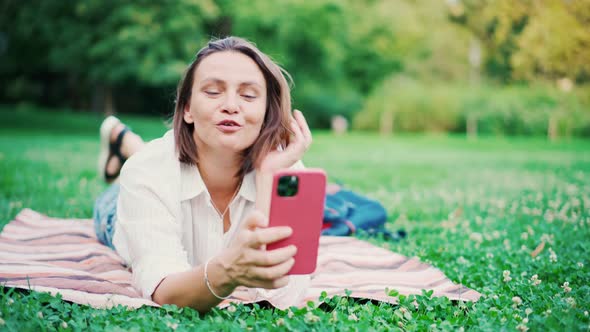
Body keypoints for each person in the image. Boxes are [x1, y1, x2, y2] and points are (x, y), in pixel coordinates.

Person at [92, 37, 313, 313]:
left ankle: (127, 141)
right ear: (187, 109)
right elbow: (164, 291)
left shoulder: (287, 172)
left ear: (267, 110)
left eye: (248, 95)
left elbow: (283, 296)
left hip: (165, 167)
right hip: (121, 209)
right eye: (212, 92)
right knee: (112, 204)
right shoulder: (144, 172)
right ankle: (127, 145)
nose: (231, 105)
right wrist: (229, 271)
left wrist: (269, 179)